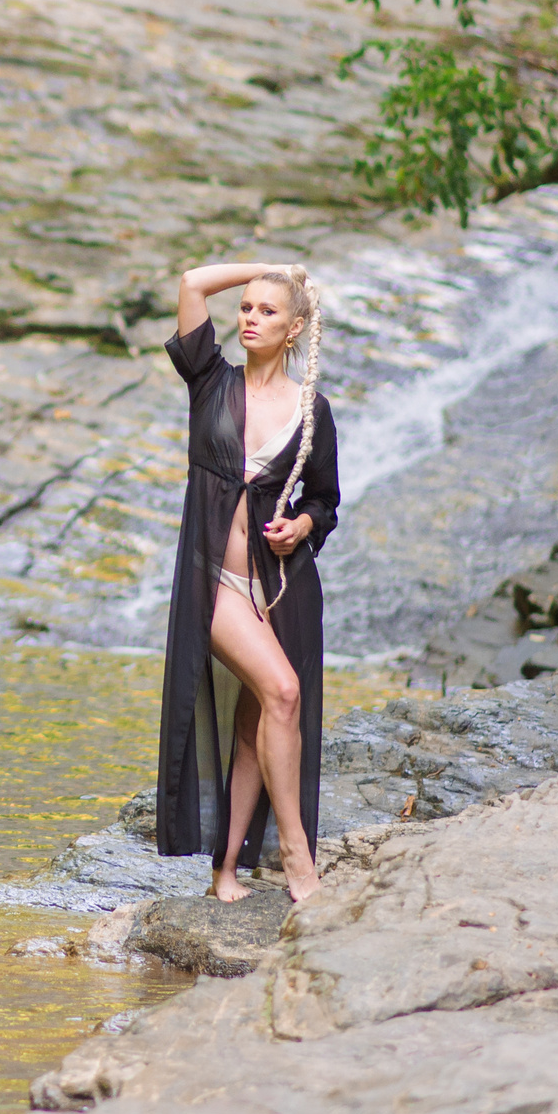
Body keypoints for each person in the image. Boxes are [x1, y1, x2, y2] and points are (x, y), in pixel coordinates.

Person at [152, 262, 339, 903]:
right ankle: (296, 858)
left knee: (257, 720)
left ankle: (226, 868)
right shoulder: (210, 382)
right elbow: (192, 282)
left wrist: (304, 525)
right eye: (248, 308)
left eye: (267, 310)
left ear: (295, 329)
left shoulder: (312, 411)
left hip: (282, 588)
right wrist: (266, 270)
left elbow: (326, 501)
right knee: (283, 690)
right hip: (214, 581)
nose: (251, 318)